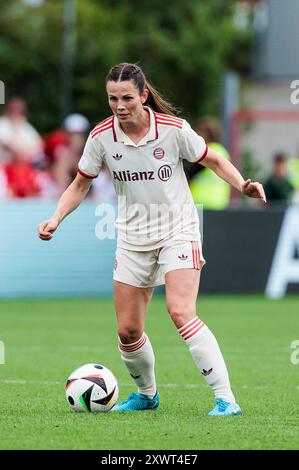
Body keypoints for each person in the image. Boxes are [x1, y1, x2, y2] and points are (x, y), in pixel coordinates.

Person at [38, 63, 266, 416]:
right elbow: (80, 184)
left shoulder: (173, 130)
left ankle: (226, 399)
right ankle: (147, 395)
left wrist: (243, 185)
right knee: (128, 331)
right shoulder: (101, 137)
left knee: (180, 311)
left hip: (178, 229)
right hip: (132, 237)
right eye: (113, 98)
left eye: (127, 97)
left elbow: (214, 160)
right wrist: (56, 218)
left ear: (143, 96)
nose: (119, 105)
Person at [189, 117, 231, 209]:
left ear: (208, 134)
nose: (196, 134)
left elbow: (189, 175)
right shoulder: (222, 151)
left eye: (200, 131)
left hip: (200, 202)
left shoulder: (204, 151)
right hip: (220, 203)